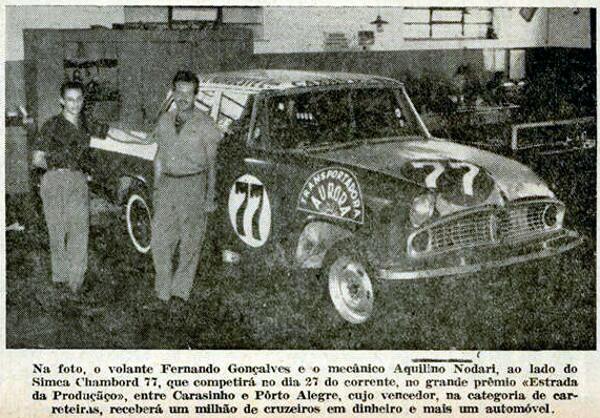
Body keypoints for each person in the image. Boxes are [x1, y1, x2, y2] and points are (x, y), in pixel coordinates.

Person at [147, 70, 222, 304]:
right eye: (179, 92)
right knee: (160, 242)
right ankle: (162, 293)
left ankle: (180, 294)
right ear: (173, 92)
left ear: (196, 96)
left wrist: (209, 197)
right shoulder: (165, 121)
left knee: (190, 243)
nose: (183, 97)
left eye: (188, 93)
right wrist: (157, 189)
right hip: (168, 184)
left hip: (194, 184)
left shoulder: (206, 124)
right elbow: (159, 157)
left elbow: (212, 164)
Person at [31, 81, 107, 294]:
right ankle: (60, 278)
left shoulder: (86, 124)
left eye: (79, 99)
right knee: (57, 231)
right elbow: (37, 159)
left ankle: (76, 282)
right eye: (70, 99)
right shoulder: (51, 125)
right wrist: (58, 166)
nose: (75, 104)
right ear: (61, 101)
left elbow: (112, 133)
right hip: (54, 180)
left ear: (83, 101)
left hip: (77, 181)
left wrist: (144, 139)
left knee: (79, 230)